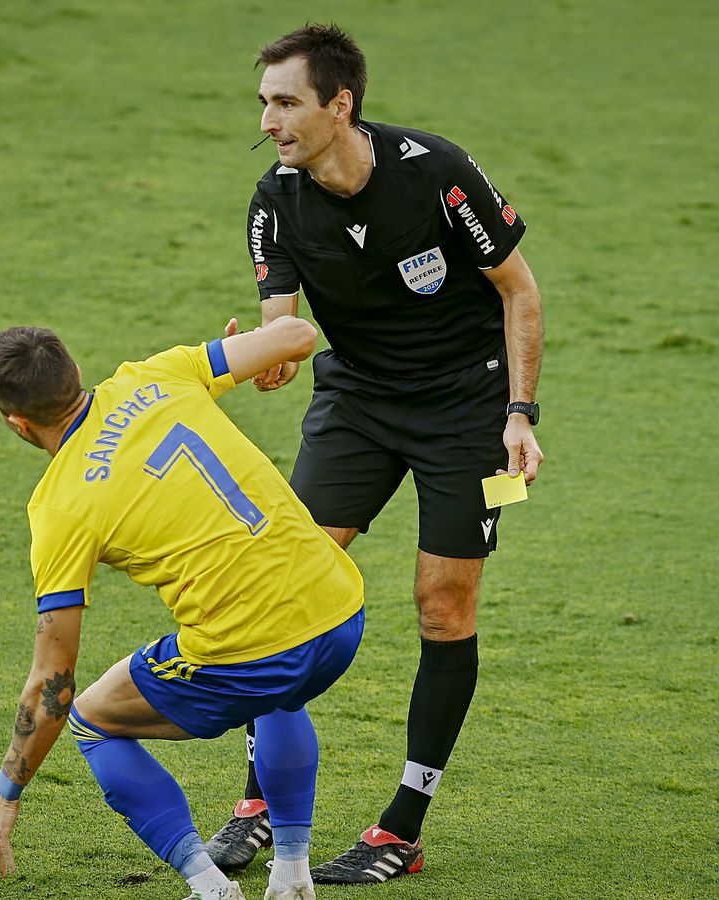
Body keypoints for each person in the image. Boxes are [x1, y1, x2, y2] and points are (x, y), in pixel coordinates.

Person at [205, 23, 546, 885]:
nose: (270, 120)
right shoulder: (274, 198)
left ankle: (404, 825)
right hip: (355, 401)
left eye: (286, 102)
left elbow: (521, 290)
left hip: (472, 414)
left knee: (444, 604)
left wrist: (521, 413)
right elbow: (283, 331)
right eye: (265, 104)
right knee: (286, 585)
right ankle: (256, 803)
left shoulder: (437, 173)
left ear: (339, 105)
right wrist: (265, 359)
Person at [0, 318, 365, 900]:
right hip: (340, 613)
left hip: (253, 653)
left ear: (17, 423)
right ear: (76, 371)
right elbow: (299, 335)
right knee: (280, 691)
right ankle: (292, 875)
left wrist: (5, 794)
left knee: (93, 720)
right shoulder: (159, 373)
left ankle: (212, 889)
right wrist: (259, 351)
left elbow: (53, 682)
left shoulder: (60, 508)